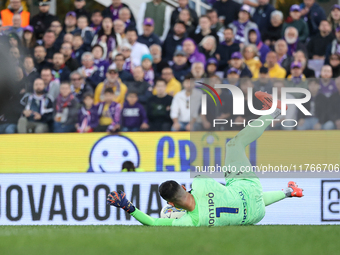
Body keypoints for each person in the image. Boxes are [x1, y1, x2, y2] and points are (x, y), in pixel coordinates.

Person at [108, 91, 304, 226]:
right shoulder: (201, 182)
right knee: (234, 145)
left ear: (174, 205)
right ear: (184, 188)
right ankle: (274, 111)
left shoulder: (192, 222)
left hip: (255, 215)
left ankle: (289, 191)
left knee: (246, 202)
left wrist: (129, 207)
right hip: (248, 188)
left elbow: (153, 222)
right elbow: (196, 194)